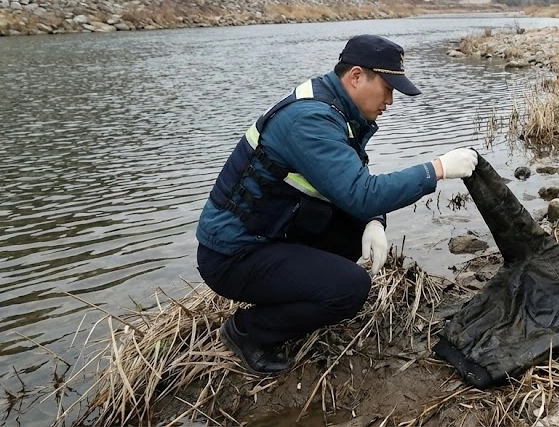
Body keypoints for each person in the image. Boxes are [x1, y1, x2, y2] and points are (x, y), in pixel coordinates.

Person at [195, 34, 479, 375]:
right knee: (349, 288)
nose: (391, 100)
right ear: (356, 76)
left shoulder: (335, 108)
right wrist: (438, 169)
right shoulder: (310, 120)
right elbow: (363, 192)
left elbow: (351, 181)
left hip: (270, 231)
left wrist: (373, 220)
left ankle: (298, 293)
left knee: (351, 233)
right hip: (232, 255)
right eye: (387, 87)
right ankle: (248, 331)